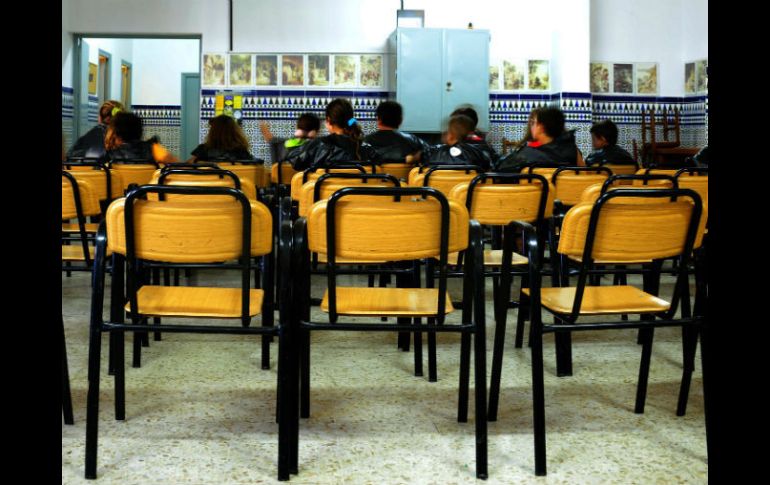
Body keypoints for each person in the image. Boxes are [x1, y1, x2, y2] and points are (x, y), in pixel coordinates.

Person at [285, 98, 380, 170]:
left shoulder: (318, 145)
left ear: (328, 120)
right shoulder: (366, 149)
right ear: (350, 120)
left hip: (322, 191)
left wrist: (301, 137)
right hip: (356, 191)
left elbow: (294, 159)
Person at [496, 107, 584, 172]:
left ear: (541, 127)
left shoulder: (528, 154)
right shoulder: (572, 150)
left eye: (533, 123)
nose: (531, 127)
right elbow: (584, 174)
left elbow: (501, 170)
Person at [363, 101, 429, 164]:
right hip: (405, 172)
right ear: (400, 120)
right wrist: (408, 159)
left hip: (374, 172)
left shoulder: (365, 142)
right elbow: (429, 154)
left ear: (378, 119)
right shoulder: (414, 141)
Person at [422, 114, 494, 169]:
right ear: (471, 134)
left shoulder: (433, 153)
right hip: (468, 185)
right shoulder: (480, 155)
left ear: (451, 136)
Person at [105, 111, 178, 165]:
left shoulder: (110, 156)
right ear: (140, 131)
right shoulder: (154, 149)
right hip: (148, 182)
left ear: (117, 135)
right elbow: (178, 166)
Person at [187, 114, 255, 162]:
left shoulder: (203, 150)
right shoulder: (241, 150)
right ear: (234, 131)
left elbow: (187, 167)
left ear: (213, 132)